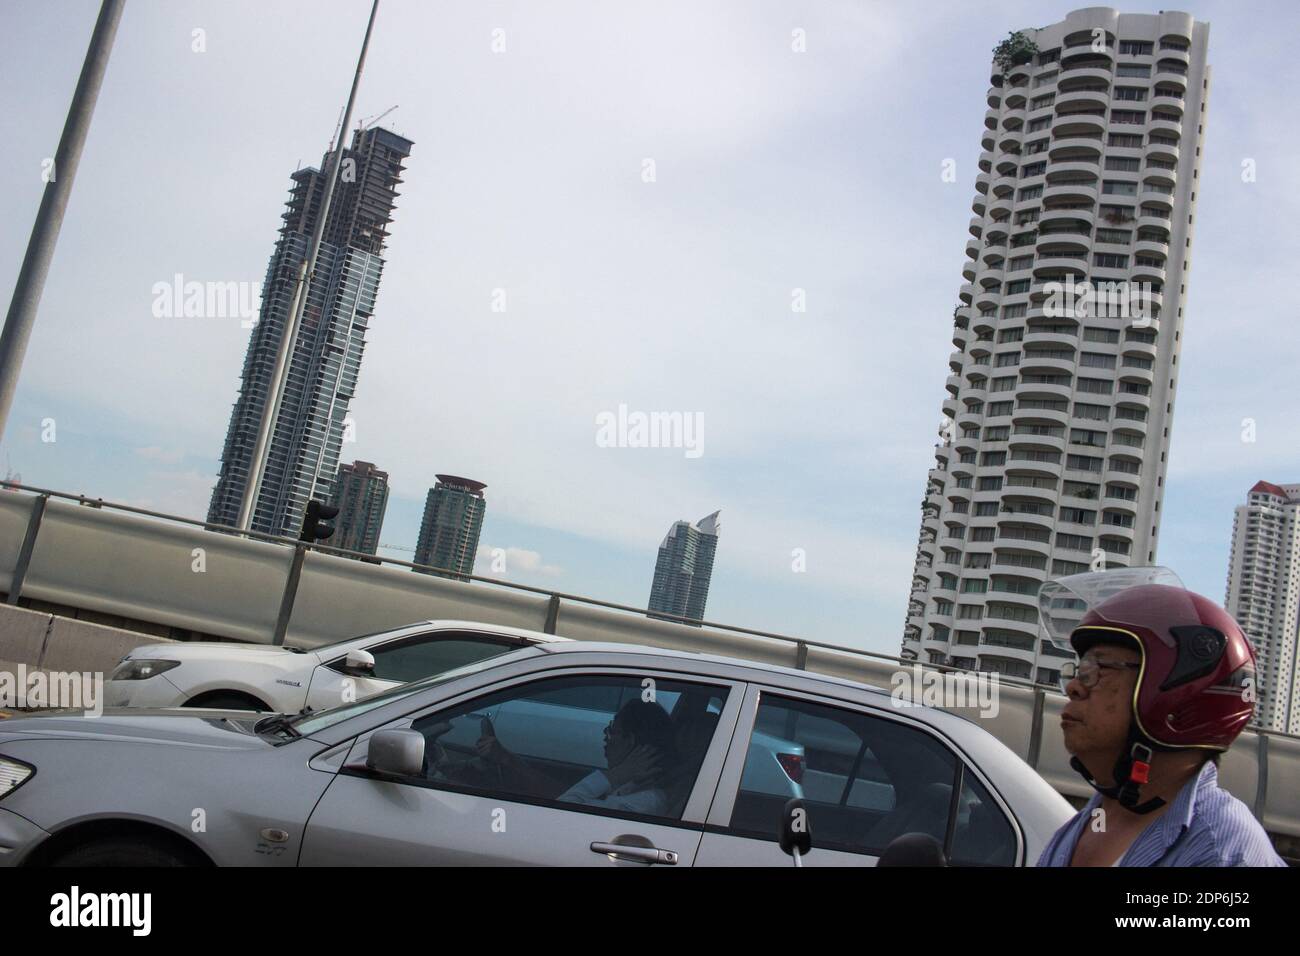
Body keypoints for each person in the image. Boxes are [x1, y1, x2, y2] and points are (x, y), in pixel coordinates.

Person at [1037, 579, 1284, 867]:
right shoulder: (1081, 828)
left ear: (1175, 691)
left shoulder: (1221, 853)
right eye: (1080, 670)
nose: (1074, 688)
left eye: (1098, 668)